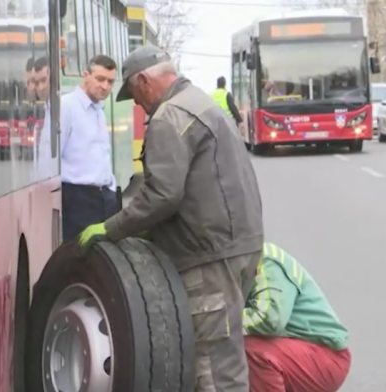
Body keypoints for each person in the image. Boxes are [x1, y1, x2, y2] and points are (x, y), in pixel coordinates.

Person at [78, 45, 264, 392]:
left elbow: (162, 195)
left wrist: (112, 228)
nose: (137, 105)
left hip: (209, 259)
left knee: (213, 372)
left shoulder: (169, 116)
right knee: (226, 358)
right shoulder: (202, 103)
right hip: (240, 248)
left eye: (134, 95)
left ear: (145, 81)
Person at [245, 243, 351, 392]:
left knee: (251, 350)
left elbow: (269, 320)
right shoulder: (238, 261)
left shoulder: (266, 262)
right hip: (297, 351)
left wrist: (218, 323)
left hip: (324, 356)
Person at [60, 55, 119, 242]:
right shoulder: (66, 106)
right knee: (79, 260)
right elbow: (50, 159)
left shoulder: (98, 110)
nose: (105, 86)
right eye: (100, 79)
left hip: (105, 198)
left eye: (110, 81)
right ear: (86, 75)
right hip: (77, 200)